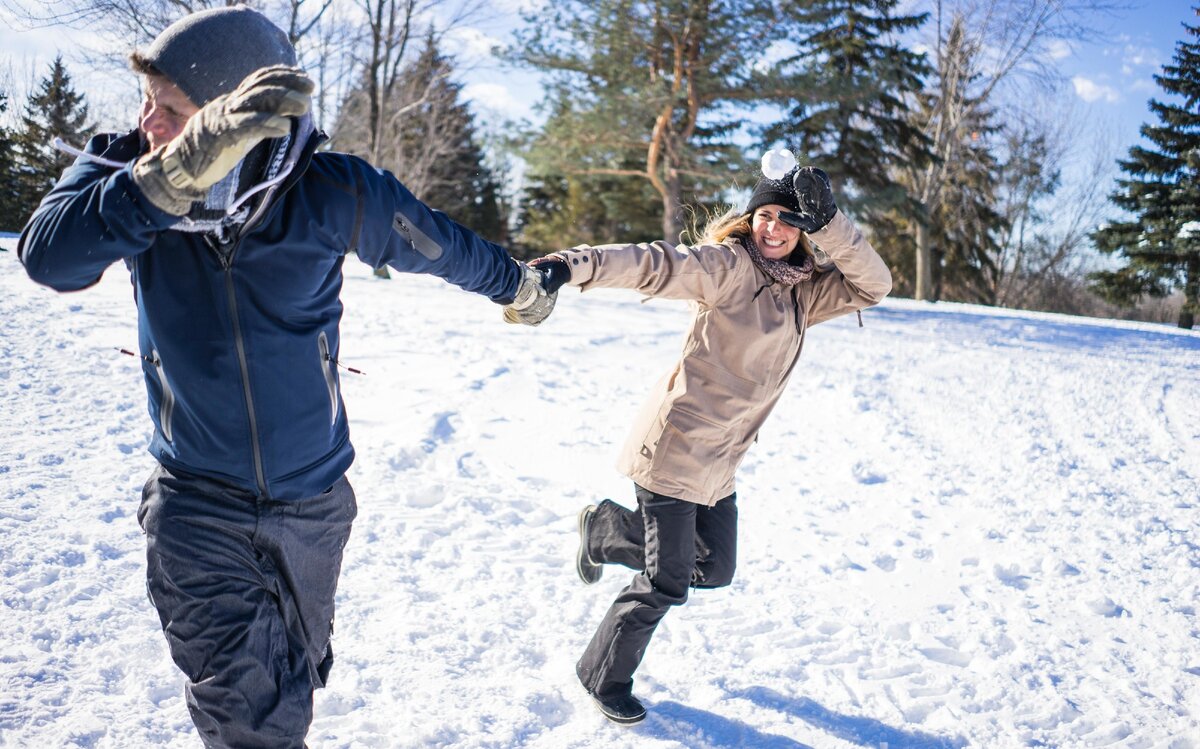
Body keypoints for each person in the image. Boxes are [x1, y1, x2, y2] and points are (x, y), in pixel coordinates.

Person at [17, 7, 555, 748]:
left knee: (294, 675)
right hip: (195, 502)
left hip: (315, 499)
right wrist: (168, 176)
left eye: (171, 110)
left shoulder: (324, 190)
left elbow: (434, 242)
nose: (148, 121)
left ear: (235, 112)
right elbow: (49, 256)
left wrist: (518, 286)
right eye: (147, 101)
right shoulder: (123, 170)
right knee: (251, 715)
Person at [519, 162, 892, 724]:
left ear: (803, 230)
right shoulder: (729, 268)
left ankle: (604, 528)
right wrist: (570, 267)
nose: (774, 229)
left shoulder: (803, 295)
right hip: (673, 450)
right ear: (750, 218)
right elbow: (655, 264)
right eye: (765, 216)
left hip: (720, 465)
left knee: (714, 567)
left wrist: (834, 223)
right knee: (666, 583)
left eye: (790, 221)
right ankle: (601, 677)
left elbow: (875, 284)